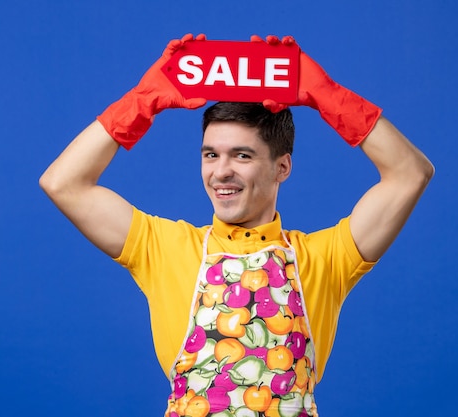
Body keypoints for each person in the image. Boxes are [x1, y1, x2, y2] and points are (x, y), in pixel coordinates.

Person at [39, 34, 434, 417]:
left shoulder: (326, 258)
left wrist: (326, 95)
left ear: (282, 167)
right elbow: (63, 183)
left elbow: (409, 173)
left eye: (242, 156)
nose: (221, 172)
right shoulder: (162, 247)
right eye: (211, 154)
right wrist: (142, 103)